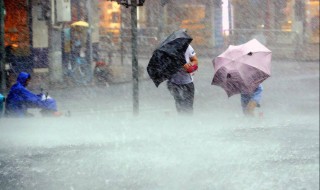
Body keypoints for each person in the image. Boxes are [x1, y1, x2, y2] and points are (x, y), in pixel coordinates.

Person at [167, 44, 198, 115]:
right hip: (174, 83)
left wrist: (190, 65)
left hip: (188, 82)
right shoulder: (169, 49)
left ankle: (188, 122)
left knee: (189, 106)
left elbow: (195, 60)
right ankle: (182, 122)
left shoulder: (188, 47)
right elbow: (167, 66)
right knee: (179, 105)